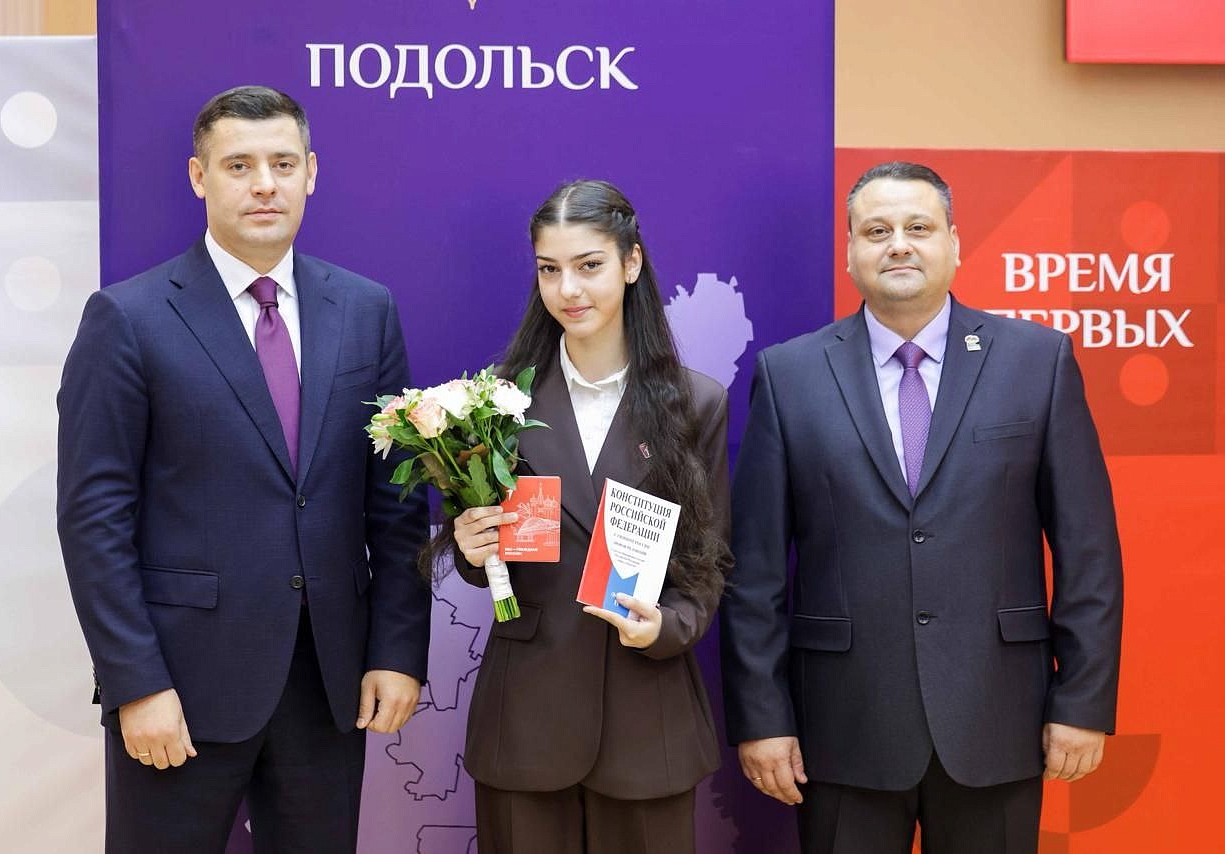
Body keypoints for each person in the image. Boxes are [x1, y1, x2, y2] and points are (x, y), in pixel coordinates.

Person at [56, 85, 430, 853]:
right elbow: (94, 521)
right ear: (199, 177)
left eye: (283, 164)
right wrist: (136, 683)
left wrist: (397, 652)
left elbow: (395, 510)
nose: (264, 184)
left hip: (328, 687)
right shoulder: (128, 318)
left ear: (311, 173)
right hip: (180, 687)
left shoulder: (366, 311)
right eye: (239, 165)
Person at [720, 161, 1123, 854]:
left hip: (998, 721)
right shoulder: (789, 376)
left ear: (954, 244)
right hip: (840, 730)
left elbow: (1088, 550)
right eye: (877, 231)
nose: (899, 244)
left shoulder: (1037, 361)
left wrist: (1083, 699)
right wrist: (763, 717)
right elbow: (754, 572)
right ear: (850, 252)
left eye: (918, 227)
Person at [446, 179, 732, 853]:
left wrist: (667, 626)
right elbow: (479, 558)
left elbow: (709, 561)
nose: (568, 289)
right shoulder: (494, 403)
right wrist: (469, 545)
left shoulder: (695, 403)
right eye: (549, 270)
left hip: (647, 717)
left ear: (632, 263)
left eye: (589, 265)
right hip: (525, 717)